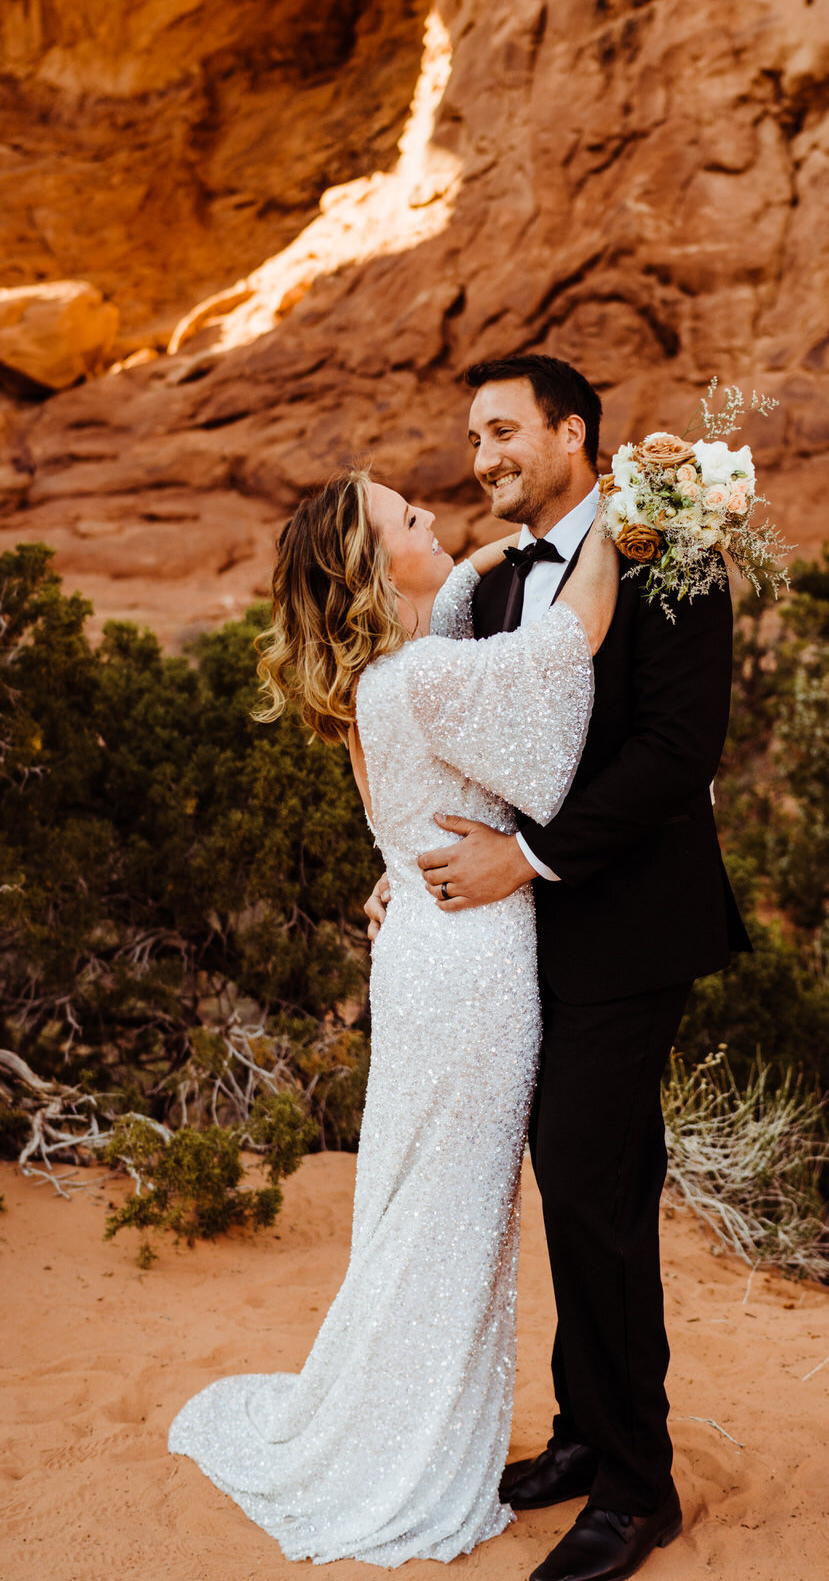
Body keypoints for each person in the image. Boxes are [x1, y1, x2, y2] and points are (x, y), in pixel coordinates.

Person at [168, 465, 618, 1566]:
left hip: (424, 953)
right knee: (455, 1212)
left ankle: (397, 1416)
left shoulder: (386, 670)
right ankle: (407, 1456)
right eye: (407, 519)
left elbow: (456, 597)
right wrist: (627, 509)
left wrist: (474, 559)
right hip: (471, 971)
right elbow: (568, 646)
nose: (434, 518)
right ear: (371, 565)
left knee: (422, 1197)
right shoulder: (420, 679)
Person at [367, 353, 751, 1581]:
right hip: (515, 944)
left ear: (573, 433)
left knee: (591, 1182)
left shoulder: (673, 552)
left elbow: (674, 749)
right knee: (563, 1176)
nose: (480, 460)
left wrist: (524, 859)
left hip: (627, 925)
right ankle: (584, 1432)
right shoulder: (485, 593)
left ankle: (638, 1489)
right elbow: (469, 752)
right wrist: (409, 858)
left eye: (501, 432)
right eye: (471, 439)